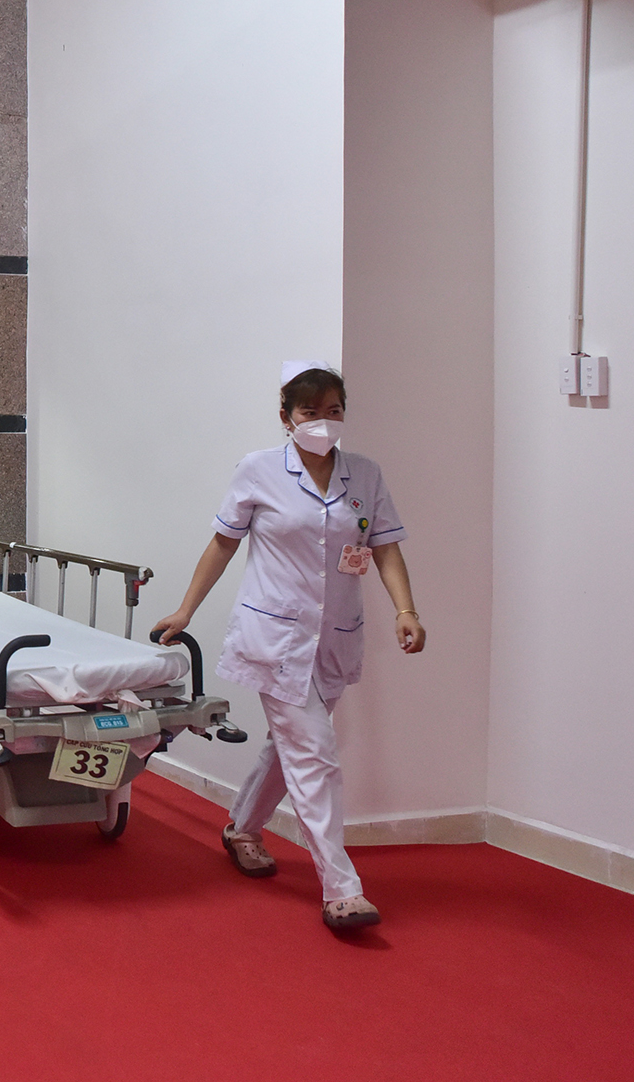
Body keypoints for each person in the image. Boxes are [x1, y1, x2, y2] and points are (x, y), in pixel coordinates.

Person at [152, 363, 426, 933]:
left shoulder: (365, 474)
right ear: (286, 417)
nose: (323, 422)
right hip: (275, 639)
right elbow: (223, 544)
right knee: (315, 755)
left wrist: (406, 610)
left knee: (290, 748)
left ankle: (241, 829)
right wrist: (185, 610)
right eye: (310, 412)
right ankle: (342, 889)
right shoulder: (258, 470)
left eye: (334, 411)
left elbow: (385, 548)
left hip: (335, 639)